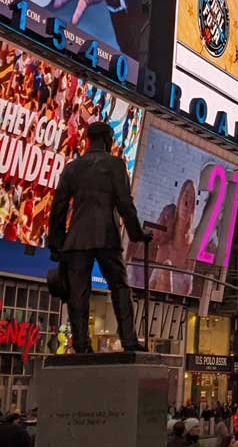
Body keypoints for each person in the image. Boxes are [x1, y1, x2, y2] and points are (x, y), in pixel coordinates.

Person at [48, 121, 152, 352]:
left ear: (88, 140)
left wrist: (56, 243)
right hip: (107, 236)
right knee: (120, 287)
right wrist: (137, 235)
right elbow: (125, 204)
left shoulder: (73, 168)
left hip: (76, 240)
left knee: (78, 294)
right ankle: (129, 340)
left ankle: (82, 345)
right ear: (108, 140)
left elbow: (59, 208)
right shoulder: (115, 165)